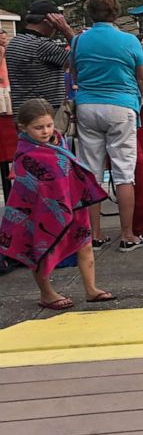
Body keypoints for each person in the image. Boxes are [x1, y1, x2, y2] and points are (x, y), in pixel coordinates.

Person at [0, 98, 114, 308]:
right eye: (38, 127)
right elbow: (29, 188)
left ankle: (91, 289)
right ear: (23, 128)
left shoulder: (59, 142)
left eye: (49, 125)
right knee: (42, 249)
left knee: (85, 245)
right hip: (41, 212)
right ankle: (47, 293)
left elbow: (70, 172)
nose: (45, 131)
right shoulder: (26, 154)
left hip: (73, 205)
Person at [73, 0, 143, 252]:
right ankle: (128, 234)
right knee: (123, 172)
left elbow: (74, 72)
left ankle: (94, 235)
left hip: (87, 105)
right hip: (121, 106)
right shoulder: (129, 41)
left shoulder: (78, 42)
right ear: (115, 11)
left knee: (91, 171)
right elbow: (142, 78)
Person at [4, 0, 76, 113]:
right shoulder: (42, 46)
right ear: (48, 22)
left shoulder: (14, 42)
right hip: (46, 113)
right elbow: (81, 58)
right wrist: (66, 30)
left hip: (23, 111)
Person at [0, 30, 11, 115]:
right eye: (3, 38)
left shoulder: (3, 49)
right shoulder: (1, 49)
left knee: (7, 104)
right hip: (1, 80)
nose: (5, 40)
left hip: (5, 79)